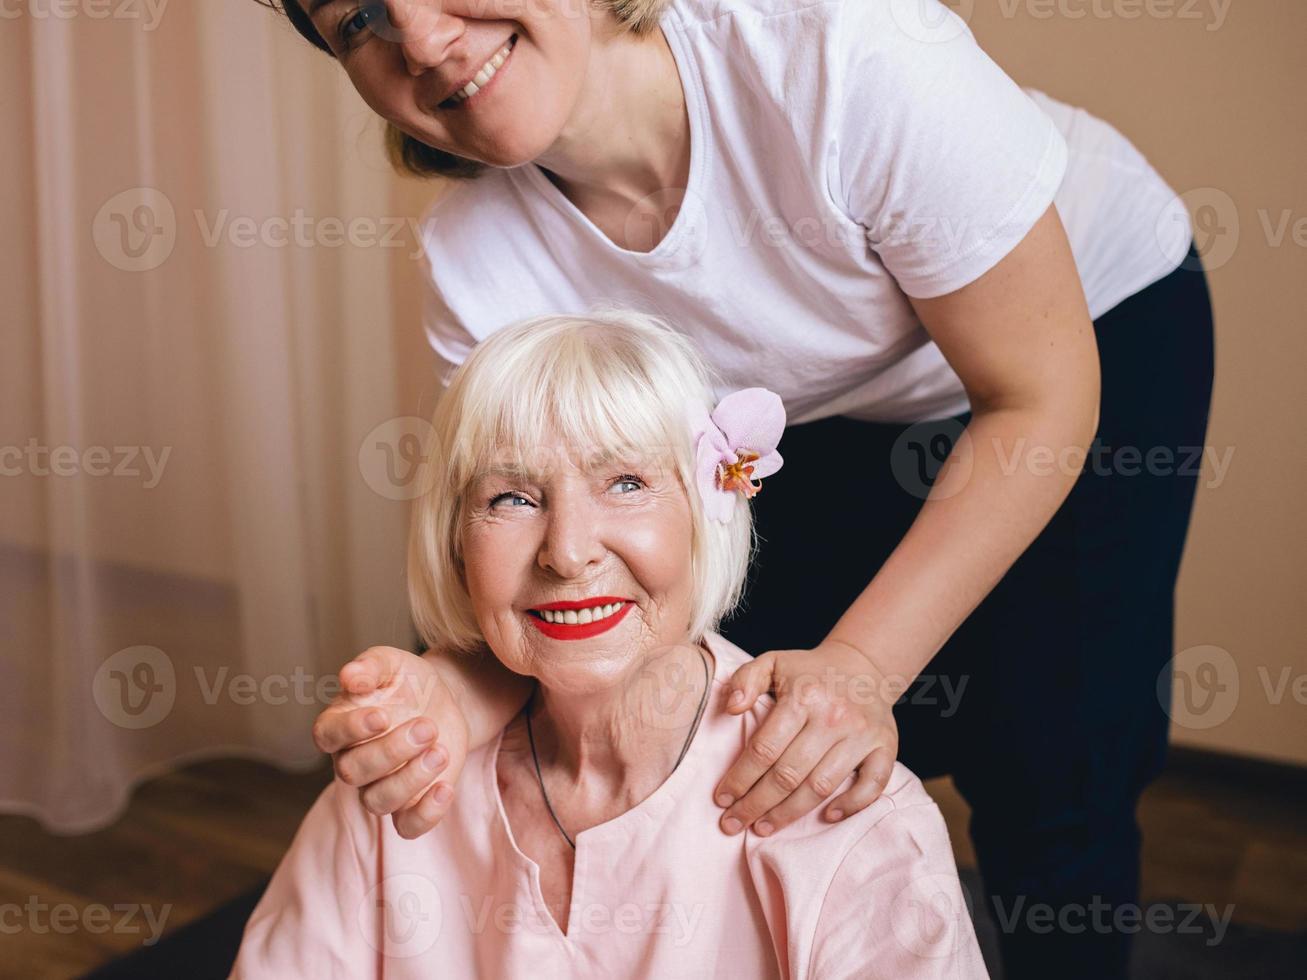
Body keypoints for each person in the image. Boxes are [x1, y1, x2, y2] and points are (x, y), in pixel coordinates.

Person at [263, 0, 1216, 976]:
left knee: (1050, 751)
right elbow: (550, 572)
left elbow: (1035, 399)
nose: (420, 41)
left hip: (1075, 341)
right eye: (358, 21)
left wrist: (859, 664)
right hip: (799, 404)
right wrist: (447, 697)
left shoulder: (857, 54)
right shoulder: (477, 259)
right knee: (745, 715)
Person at [232, 312, 988, 978]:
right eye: (511, 499)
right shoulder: (402, 767)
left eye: (625, 483)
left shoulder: (845, 807)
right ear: (456, 546)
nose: (566, 552)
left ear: (706, 513)